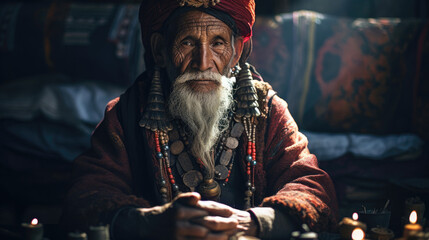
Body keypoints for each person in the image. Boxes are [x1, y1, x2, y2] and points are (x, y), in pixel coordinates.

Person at [62, 0, 338, 239]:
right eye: (187, 42)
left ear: (237, 51)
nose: (203, 62)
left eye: (217, 43)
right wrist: (152, 222)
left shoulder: (268, 111)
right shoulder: (126, 114)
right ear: (160, 50)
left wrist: (251, 223)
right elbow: (84, 199)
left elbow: (314, 192)